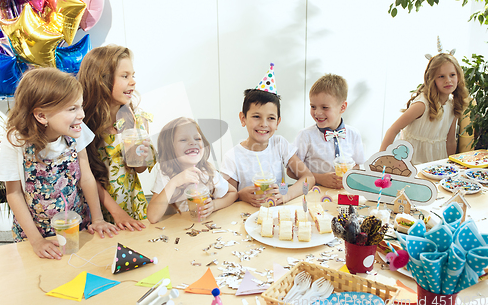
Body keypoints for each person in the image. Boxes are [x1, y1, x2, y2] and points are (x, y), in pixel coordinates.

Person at [0, 68, 118, 260]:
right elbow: (14, 194)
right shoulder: (15, 141)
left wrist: (98, 219)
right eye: (72, 109)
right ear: (41, 116)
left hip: (77, 228)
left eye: (80, 106)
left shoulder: (77, 130)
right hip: (35, 235)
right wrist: (36, 240)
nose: (82, 115)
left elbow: (86, 177)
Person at [79, 45, 155, 231]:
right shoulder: (83, 125)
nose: (133, 82)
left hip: (132, 204)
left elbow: (139, 169)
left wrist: (141, 155)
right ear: (101, 80)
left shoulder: (137, 119)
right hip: (99, 210)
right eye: (125, 76)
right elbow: (86, 175)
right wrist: (115, 212)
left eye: (133, 75)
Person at [220, 63, 314, 207]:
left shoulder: (279, 144)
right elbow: (227, 196)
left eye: (271, 118)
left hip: (276, 217)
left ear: (278, 122)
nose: (264, 124)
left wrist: (286, 194)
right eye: (256, 116)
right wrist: (240, 195)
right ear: (243, 118)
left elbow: (308, 178)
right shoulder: (232, 157)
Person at [380, 53, 468, 164]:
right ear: (432, 79)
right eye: (441, 76)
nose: (448, 80)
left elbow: (450, 141)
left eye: (452, 75)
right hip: (411, 162)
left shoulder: (453, 105)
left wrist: (450, 166)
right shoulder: (422, 105)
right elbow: (393, 130)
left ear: (458, 76)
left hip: (435, 163)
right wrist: (380, 161)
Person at [148, 117, 238, 223]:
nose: (192, 142)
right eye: (183, 140)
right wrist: (173, 183)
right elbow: (152, 217)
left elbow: (233, 193)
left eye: (197, 139)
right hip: (175, 231)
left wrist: (214, 205)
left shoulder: (207, 172)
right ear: (169, 147)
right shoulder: (166, 175)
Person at [292, 74, 365, 189]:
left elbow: (357, 166)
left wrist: (349, 178)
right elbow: (292, 171)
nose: (317, 113)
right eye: (313, 106)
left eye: (325, 107)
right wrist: (319, 178)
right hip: (315, 195)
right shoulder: (305, 135)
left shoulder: (354, 134)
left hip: (343, 195)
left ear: (342, 107)